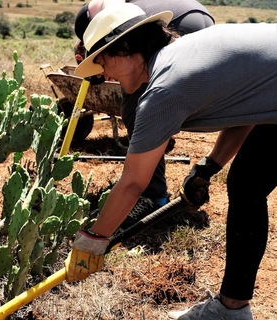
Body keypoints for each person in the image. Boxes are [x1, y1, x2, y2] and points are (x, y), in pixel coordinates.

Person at [66, 2, 277, 319]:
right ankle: (231, 308)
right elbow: (248, 110)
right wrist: (208, 169)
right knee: (246, 185)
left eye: (102, 61)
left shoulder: (165, 87)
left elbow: (134, 182)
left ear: (125, 47)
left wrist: (93, 241)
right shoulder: (183, 51)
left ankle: (230, 309)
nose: (103, 73)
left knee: (247, 186)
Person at [73, 0, 214, 229]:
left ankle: (154, 197)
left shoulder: (117, 22)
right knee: (161, 106)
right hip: (202, 18)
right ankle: (160, 145)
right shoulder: (122, 6)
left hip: (177, 25)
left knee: (137, 111)